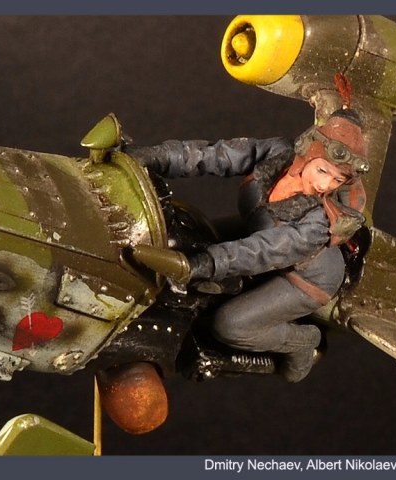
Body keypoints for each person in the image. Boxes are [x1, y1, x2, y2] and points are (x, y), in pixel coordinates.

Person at [124, 106, 369, 382]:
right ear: (307, 152)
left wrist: (207, 263)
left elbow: (262, 251)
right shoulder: (278, 155)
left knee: (231, 325)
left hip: (305, 279)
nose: (324, 185)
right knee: (189, 237)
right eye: (322, 170)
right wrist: (156, 157)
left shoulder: (318, 223)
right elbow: (217, 155)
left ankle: (302, 342)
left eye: (337, 180)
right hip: (257, 232)